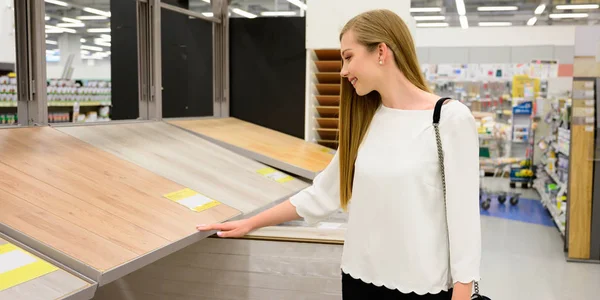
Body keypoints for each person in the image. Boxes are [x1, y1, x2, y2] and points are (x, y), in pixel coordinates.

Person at [197, 9, 481, 300]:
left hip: (422, 287)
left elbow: (464, 221)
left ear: (381, 51)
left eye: (348, 56)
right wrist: (250, 222)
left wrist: (462, 290)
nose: (343, 71)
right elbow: (323, 194)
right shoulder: (366, 121)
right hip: (359, 279)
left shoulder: (449, 119)